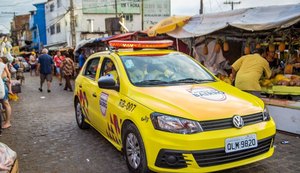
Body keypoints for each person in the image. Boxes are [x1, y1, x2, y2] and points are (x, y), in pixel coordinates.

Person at [0, 56, 12, 129]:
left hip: (2, 86)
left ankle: (8, 122)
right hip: (2, 85)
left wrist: (9, 81)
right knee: (5, 104)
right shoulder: (3, 65)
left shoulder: (2, 64)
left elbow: (8, 74)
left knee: (5, 103)